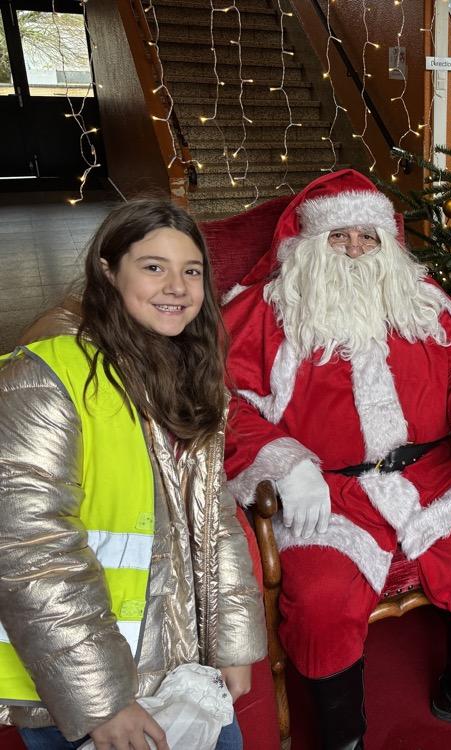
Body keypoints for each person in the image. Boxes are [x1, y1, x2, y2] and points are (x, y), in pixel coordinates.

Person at [221, 169, 451, 745]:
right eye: (338, 236)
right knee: (320, 596)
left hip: (431, 475)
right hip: (328, 493)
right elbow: (222, 406)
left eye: (367, 237)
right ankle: (343, 736)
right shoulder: (267, 312)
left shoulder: (419, 298)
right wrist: (284, 462)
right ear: (309, 243)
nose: (354, 250)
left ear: (386, 242)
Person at [0, 200, 266, 750]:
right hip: (82, 686)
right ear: (108, 271)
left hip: (183, 662)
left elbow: (215, 517)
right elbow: (30, 552)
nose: (177, 287)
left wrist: (233, 643)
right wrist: (104, 699)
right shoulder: (44, 376)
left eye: (191, 270)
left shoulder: (186, 370)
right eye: (153, 267)